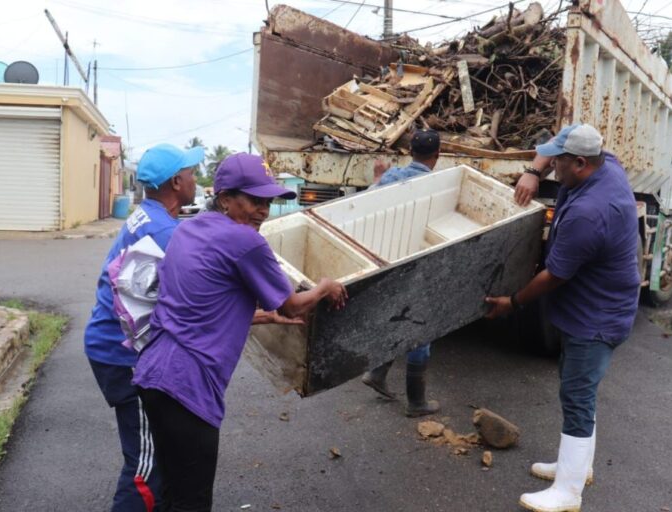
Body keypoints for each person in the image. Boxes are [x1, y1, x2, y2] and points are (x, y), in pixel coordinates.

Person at [132, 153, 348, 511]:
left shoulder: (189, 228)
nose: (262, 210)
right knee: (192, 502)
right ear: (226, 199)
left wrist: (263, 317)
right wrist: (325, 287)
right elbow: (292, 305)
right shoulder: (246, 242)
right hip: (189, 387)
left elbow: (201, 307)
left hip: (154, 375)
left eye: (268, 201)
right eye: (253, 200)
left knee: (174, 491)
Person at [486, 124, 640, 512]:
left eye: (558, 161)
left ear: (581, 164)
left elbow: (554, 275)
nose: (553, 164)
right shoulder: (607, 164)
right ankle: (577, 464)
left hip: (597, 318)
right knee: (577, 393)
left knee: (577, 397)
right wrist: (533, 171)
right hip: (593, 308)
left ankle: (569, 491)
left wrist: (513, 302)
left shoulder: (591, 214)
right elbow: (568, 129)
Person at [84, 143, 204, 512]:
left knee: (158, 450)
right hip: (125, 357)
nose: (196, 179)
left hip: (112, 342)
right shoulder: (167, 233)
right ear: (176, 182)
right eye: (191, 173)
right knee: (145, 463)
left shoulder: (146, 216)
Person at [361, 128, 443, 417]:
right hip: (418, 263)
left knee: (398, 316)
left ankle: (377, 373)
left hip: (389, 260)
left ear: (410, 151)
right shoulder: (436, 183)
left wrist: (376, 179)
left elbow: (367, 202)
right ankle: (417, 402)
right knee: (420, 326)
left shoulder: (392, 177)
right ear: (437, 155)